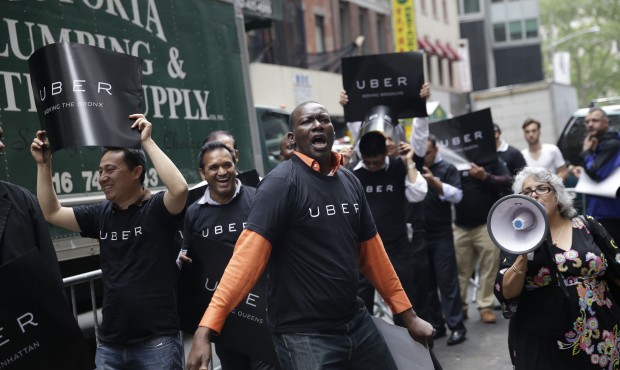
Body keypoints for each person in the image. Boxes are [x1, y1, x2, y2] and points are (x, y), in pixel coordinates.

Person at [185, 101, 434, 370]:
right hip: (304, 337)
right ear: (292, 139)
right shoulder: (280, 184)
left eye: (323, 119)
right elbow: (245, 262)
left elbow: (373, 255)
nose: (317, 124)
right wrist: (207, 327)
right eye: (307, 121)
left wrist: (408, 316)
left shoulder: (350, 181)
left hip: (357, 324)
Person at [30, 114, 189, 370]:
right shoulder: (100, 214)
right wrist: (43, 164)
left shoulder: (157, 210)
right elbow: (52, 212)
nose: (102, 177)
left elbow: (180, 189)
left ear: (137, 172)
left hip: (157, 342)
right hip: (110, 344)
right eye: (100, 171)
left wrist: (146, 142)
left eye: (111, 170)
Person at [494, 167, 620, 369]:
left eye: (542, 188)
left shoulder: (587, 225)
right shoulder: (515, 238)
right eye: (526, 192)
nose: (534, 194)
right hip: (543, 338)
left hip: (600, 331)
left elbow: (616, 268)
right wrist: (524, 253)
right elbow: (507, 291)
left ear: (557, 195)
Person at [180, 141, 277, 370]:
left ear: (236, 165)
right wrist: (183, 262)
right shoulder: (194, 212)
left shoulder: (258, 199)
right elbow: (187, 253)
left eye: (227, 165)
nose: (222, 172)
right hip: (225, 322)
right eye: (213, 168)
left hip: (265, 316)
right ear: (202, 173)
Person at [352, 130, 427, 326]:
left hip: (397, 248)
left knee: (404, 305)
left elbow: (418, 194)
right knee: (361, 306)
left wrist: (409, 161)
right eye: (368, 162)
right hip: (363, 252)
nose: (372, 166)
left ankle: (410, 349)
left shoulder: (398, 167)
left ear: (386, 153)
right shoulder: (352, 172)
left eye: (376, 162)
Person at [421, 134, 467, 345]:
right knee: (427, 284)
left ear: (436, 149)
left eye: (428, 152)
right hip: (420, 234)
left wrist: (434, 182)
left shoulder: (447, 169)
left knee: (447, 282)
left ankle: (456, 326)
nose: (424, 156)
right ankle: (437, 325)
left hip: (441, 234)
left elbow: (458, 196)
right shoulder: (413, 168)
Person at [453, 157, 511, 324]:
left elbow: (508, 181)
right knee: (460, 270)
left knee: (489, 267)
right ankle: (460, 308)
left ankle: (485, 306)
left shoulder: (491, 158)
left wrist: (485, 176)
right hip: (460, 225)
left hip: (485, 224)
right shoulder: (454, 159)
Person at [573, 107, 620, 243]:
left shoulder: (612, 143)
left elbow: (596, 172)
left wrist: (586, 152)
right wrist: (583, 172)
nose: (590, 124)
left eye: (595, 120)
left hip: (610, 214)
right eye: (587, 122)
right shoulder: (599, 143)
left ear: (606, 122)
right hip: (599, 211)